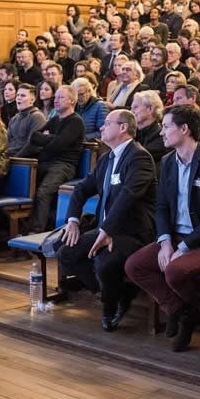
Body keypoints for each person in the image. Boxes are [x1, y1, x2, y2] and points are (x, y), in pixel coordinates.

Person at [126, 104, 200, 352]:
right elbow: (162, 206)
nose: (161, 133)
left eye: (166, 127)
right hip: (175, 236)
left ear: (184, 129)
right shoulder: (167, 161)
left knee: (174, 270)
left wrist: (184, 246)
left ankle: (184, 318)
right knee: (135, 265)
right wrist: (166, 242)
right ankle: (184, 311)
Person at [58, 110, 156, 332]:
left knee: (104, 262)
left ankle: (110, 305)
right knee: (67, 254)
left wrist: (107, 229)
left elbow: (128, 198)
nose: (101, 128)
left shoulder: (139, 157)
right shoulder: (106, 158)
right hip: (106, 229)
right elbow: (81, 189)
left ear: (123, 128)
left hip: (131, 233)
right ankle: (117, 294)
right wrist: (72, 220)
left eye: (106, 123)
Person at [27, 85, 85, 232]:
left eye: (61, 97)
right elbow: (34, 136)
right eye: (56, 97)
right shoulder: (54, 119)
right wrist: (51, 138)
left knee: (43, 193)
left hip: (63, 166)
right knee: (26, 189)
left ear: (72, 101)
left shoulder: (76, 121)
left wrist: (47, 138)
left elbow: (60, 145)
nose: (56, 100)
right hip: (46, 162)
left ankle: (36, 231)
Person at [131, 90, 168, 167]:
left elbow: (138, 158)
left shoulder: (161, 137)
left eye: (136, 107)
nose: (132, 112)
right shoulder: (132, 134)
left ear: (150, 109)